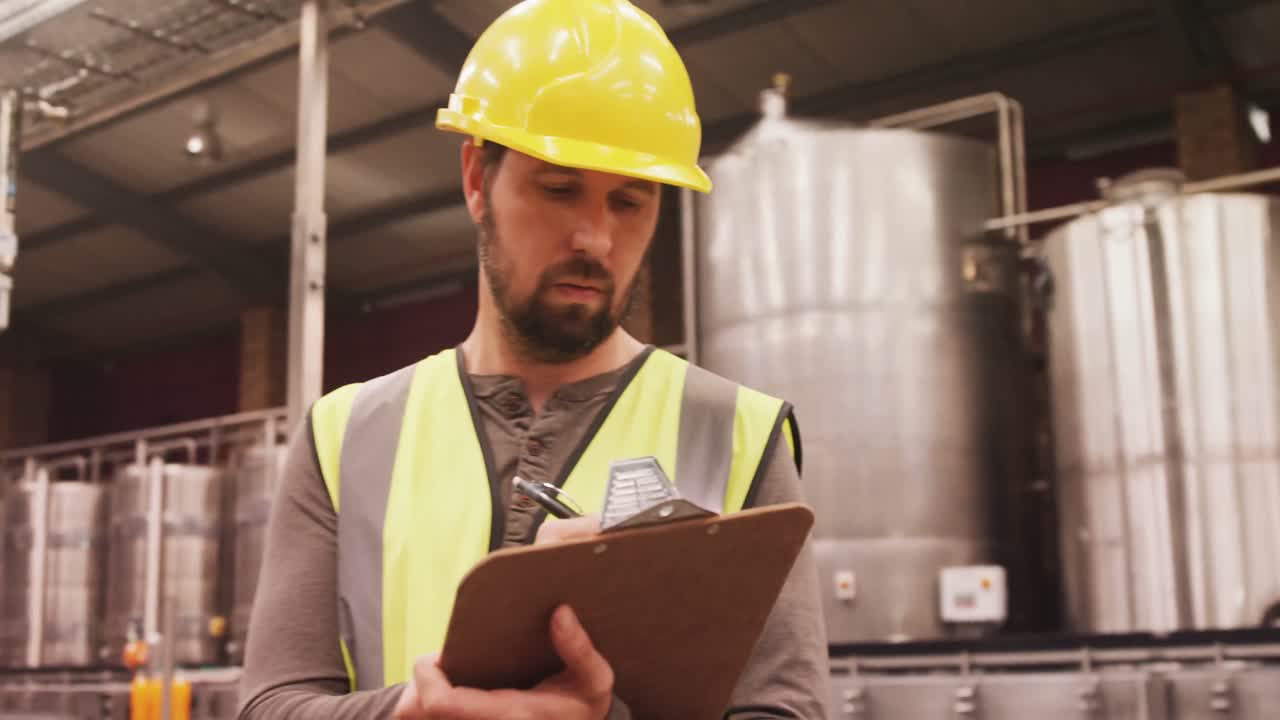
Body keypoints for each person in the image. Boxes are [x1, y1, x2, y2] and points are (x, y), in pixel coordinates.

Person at [236, 0, 830, 718]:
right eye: (559, 189)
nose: (595, 239)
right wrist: (413, 715)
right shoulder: (344, 435)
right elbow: (270, 704)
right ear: (477, 181)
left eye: (630, 203)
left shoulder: (741, 436)